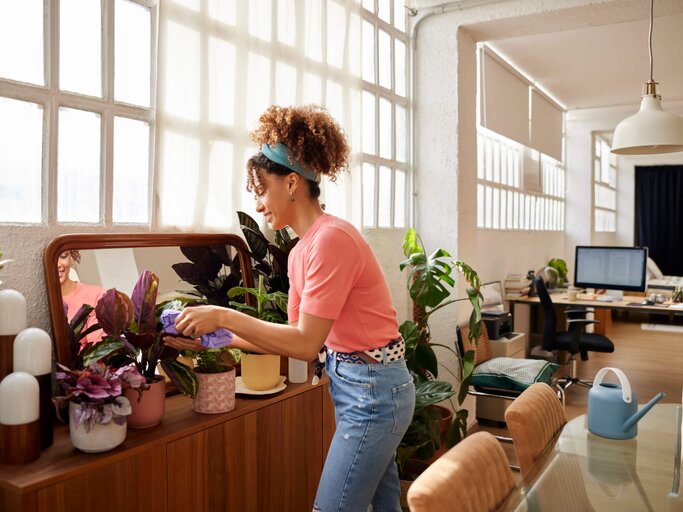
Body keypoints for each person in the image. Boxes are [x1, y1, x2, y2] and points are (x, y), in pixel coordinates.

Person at [167, 104, 415, 511]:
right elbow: (292, 338)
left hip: (374, 391)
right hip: (362, 388)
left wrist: (224, 314)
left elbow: (304, 344)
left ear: (293, 183)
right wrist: (219, 340)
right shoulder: (302, 251)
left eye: (262, 189)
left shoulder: (331, 240)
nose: (259, 204)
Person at [58, 250, 105, 346]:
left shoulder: (96, 295)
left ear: (71, 257)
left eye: (63, 256)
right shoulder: (41, 304)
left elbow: (97, 350)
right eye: (52, 259)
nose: (58, 264)